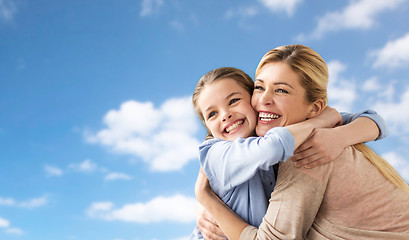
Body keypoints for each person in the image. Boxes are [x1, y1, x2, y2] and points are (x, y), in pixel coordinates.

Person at [194, 44, 409, 240]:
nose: (264, 100)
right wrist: (327, 123)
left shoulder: (310, 150)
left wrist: (208, 200)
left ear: (314, 108)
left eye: (281, 90)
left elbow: (373, 120)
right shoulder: (308, 131)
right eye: (259, 87)